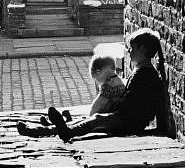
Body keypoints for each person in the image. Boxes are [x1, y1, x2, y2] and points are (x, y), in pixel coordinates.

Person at [18, 29, 167, 142]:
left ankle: (65, 132)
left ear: (143, 50)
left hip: (130, 121)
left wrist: (116, 104)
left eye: (132, 48)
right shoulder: (141, 71)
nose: (129, 51)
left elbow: (135, 104)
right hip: (125, 117)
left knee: (96, 120)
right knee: (86, 120)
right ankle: (42, 130)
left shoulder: (146, 75)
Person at [21, 55, 127, 136]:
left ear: (99, 72)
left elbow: (98, 105)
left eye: (96, 79)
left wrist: (89, 117)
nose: (98, 83)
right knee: (77, 122)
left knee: (76, 126)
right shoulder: (118, 81)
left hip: (102, 120)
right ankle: (55, 124)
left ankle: (39, 131)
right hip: (106, 118)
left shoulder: (109, 85)